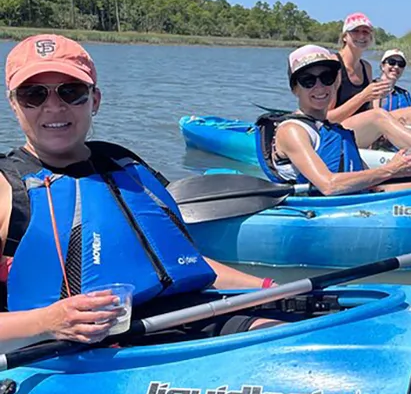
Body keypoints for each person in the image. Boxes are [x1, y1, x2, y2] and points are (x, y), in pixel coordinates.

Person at [0, 35, 274, 353]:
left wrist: (267, 288)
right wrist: (47, 321)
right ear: (14, 104)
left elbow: (180, 261)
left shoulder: (122, 165)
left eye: (71, 92)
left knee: (282, 335)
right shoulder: (7, 189)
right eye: (34, 95)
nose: (54, 107)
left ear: (95, 100)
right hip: (73, 354)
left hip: (181, 316)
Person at [256, 45, 411, 195]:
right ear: (294, 89)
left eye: (327, 77)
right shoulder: (293, 131)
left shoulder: (333, 129)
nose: (320, 87)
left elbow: (366, 178)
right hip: (331, 210)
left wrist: (398, 171)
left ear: (336, 81)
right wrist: (391, 170)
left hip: (362, 199)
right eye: (308, 80)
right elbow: (329, 185)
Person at [328, 12, 411, 145]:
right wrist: (364, 96)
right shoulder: (333, 66)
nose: (361, 36)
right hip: (336, 133)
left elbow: (367, 111)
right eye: (355, 31)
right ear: (345, 36)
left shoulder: (366, 67)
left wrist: (393, 123)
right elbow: (327, 118)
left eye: (366, 32)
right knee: (379, 115)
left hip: (362, 128)